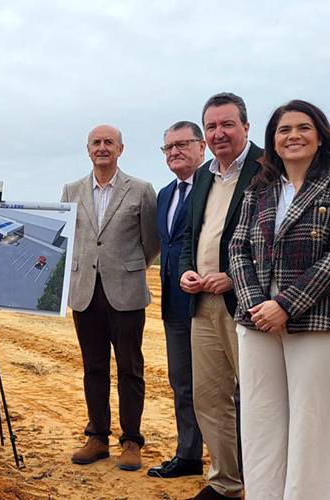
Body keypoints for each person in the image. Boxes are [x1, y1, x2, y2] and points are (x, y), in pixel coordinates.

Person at [229, 100, 330, 499]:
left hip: (319, 321)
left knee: (314, 428)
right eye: (284, 130)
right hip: (257, 323)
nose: (293, 136)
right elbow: (238, 249)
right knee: (261, 423)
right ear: (273, 140)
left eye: (303, 128)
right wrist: (259, 306)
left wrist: (285, 305)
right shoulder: (260, 188)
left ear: (320, 135)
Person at [60, 124, 160, 472]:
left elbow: (152, 241)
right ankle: (98, 438)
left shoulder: (142, 190)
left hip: (127, 293)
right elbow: (67, 238)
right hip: (85, 293)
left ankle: (131, 441)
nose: (102, 148)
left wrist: (129, 269)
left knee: (130, 369)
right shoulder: (71, 190)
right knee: (94, 368)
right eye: (96, 143)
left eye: (109, 143)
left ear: (121, 149)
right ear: (88, 150)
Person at [179, 92, 262, 500]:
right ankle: (226, 484)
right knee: (210, 399)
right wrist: (185, 273)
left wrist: (234, 276)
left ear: (246, 127)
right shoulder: (205, 176)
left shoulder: (267, 170)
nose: (219, 133)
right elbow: (190, 238)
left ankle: (264, 481)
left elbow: (275, 239)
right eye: (211, 126)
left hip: (248, 303)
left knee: (259, 396)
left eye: (227, 124)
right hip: (203, 306)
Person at [149, 121, 206, 479]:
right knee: (182, 383)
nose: (174, 152)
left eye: (182, 144)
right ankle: (188, 456)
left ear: (202, 147)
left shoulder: (215, 187)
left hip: (211, 301)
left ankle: (241, 465)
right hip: (173, 303)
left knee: (227, 389)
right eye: (168, 147)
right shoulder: (166, 194)